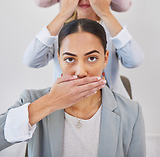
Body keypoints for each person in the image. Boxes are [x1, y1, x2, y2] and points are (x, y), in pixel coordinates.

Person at [0, 19, 146, 157]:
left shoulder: (132, 113)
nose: (81, 72)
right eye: (70, 59)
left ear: (105, 59)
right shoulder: (32, 100)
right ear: (59, 59)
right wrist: (49, 102)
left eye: (92, 58)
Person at [23, 0, 144, 99]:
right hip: (67, 106)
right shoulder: (60, 30)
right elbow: (31, 60)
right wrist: (63, 14)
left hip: (112, 107)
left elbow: (135, 60)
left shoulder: (112, 27)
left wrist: (106, 14)